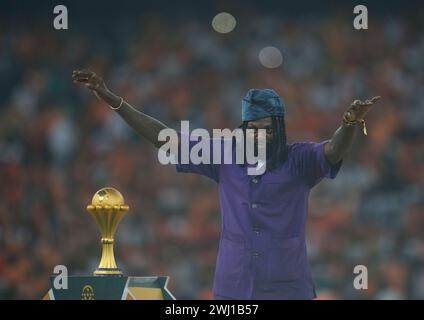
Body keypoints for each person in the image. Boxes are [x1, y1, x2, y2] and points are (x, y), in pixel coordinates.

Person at [72, 69, 380, 299]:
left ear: (280, 129)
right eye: (253, 129)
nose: (260, 135)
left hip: (288, 286)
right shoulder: (225, 152)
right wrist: (115, 101)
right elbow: (163, 137)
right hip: (233, 286)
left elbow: (334, 150)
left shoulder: (299, 159)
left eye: (268, 128)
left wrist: (350, 123)